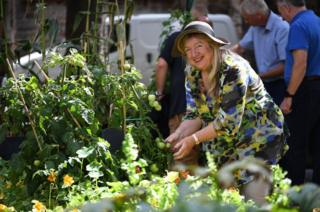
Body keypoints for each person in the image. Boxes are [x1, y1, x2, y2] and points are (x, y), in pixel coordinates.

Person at [166, 21, 287, 204]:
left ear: (212, 45)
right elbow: (195, 114)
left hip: (259, 140)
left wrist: (192, 140)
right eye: (188, 49)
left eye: (199, 45)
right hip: (228, 146)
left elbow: (227, 123)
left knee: (254, 200)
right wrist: (178, 134)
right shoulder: (192, 73)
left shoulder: (232, 70)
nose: (194, 54)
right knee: (227, 201)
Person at [276, 0, 320, 185]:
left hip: (304, 90)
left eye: (281, 12)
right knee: (317, 142)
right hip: (317, 88)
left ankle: (296, 193)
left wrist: (289, 95)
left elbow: (300, 64)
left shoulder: (298, 25)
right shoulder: (316, 20)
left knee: (295, 145)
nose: (281, 17)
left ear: (287, 7)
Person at [155, 5, 210, 135]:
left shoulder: (176, 38)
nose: (193, 54)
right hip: (201, 108)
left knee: (180, 147)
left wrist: (159, 92)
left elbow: (161, 65)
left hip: (182, 106)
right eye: (187, 50)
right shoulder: (209, 44)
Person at [231, 0, 289, 106]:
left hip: (280, 85)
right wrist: (221, 55)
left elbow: (285, 66)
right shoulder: (255, 27)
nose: (246, 22)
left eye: (247, 18)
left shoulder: (282, 28)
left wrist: (257, 76)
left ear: (259, 16)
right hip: (264, 82)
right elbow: (240, 48)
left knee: (280, 119)